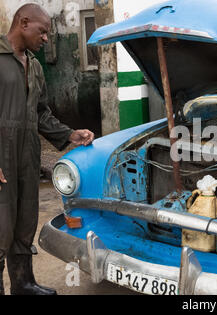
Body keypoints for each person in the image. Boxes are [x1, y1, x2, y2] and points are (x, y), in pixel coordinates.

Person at [0, 3, 94, 295]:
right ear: (23, 22)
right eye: (42, 32)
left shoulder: (35, 66)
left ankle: (23, 284)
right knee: (0, 224)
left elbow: (41, 114)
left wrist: (69, 134)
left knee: (25, 219)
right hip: (1, 155)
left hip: (28, 154)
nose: (45, 39)